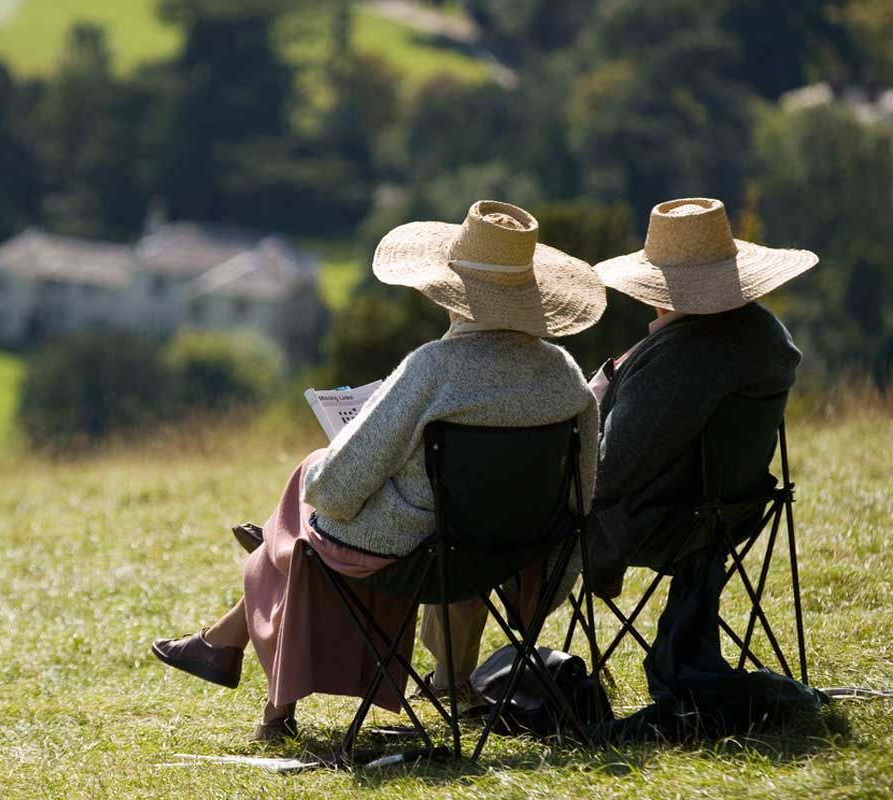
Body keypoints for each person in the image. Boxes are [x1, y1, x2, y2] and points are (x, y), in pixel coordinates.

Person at [151, 201, 604, 741]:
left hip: (420, 554)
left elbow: (337, 491)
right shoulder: (566, 375)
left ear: (448, 290)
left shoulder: (433, 369)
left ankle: (263, 689)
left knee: (308, 490)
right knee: (314, 526)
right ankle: (226, 638)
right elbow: (583, 490)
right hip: (516, 555)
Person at [586, 197, 825, 736]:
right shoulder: (765, 336)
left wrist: (610, 382)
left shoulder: (679, 357)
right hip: (730, 517)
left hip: (662, 522)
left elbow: (611, 471)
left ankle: (478, 681)